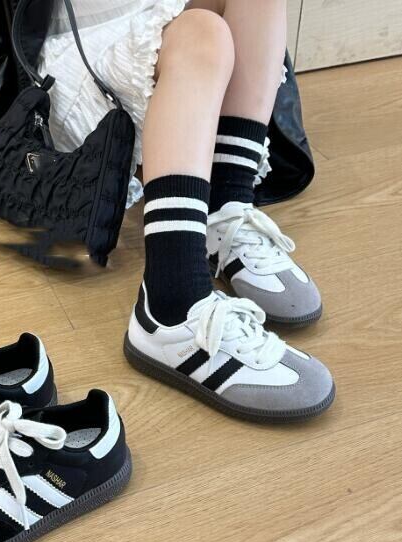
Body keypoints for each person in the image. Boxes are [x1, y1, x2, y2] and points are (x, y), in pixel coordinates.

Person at [39, 0, 335, 421]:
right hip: (80, 41)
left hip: (155, 11)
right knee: (202, 34)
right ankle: (171, 305)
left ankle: (223, 209)